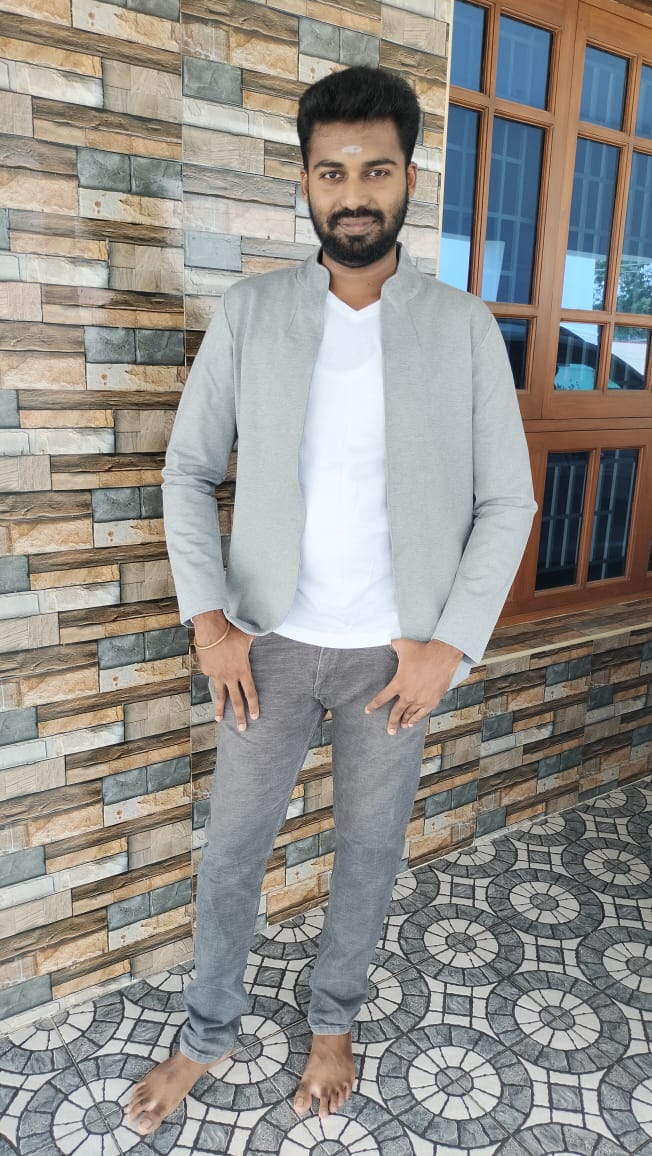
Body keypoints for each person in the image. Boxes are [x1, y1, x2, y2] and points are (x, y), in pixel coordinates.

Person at [127, 64, 537, 1135]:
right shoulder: (252, 312)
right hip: (264, 647)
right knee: (232, 852)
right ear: (305, 182)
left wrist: (451, 644)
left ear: (409, 180)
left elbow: (508, 498)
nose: (354, 194)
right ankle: (206, 1032)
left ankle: (333, 1025)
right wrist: (209, 622)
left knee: (368, 850)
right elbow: (187, 471)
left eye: (376, 171)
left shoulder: (461, 326)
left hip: (393, 661)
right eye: (332, 172)